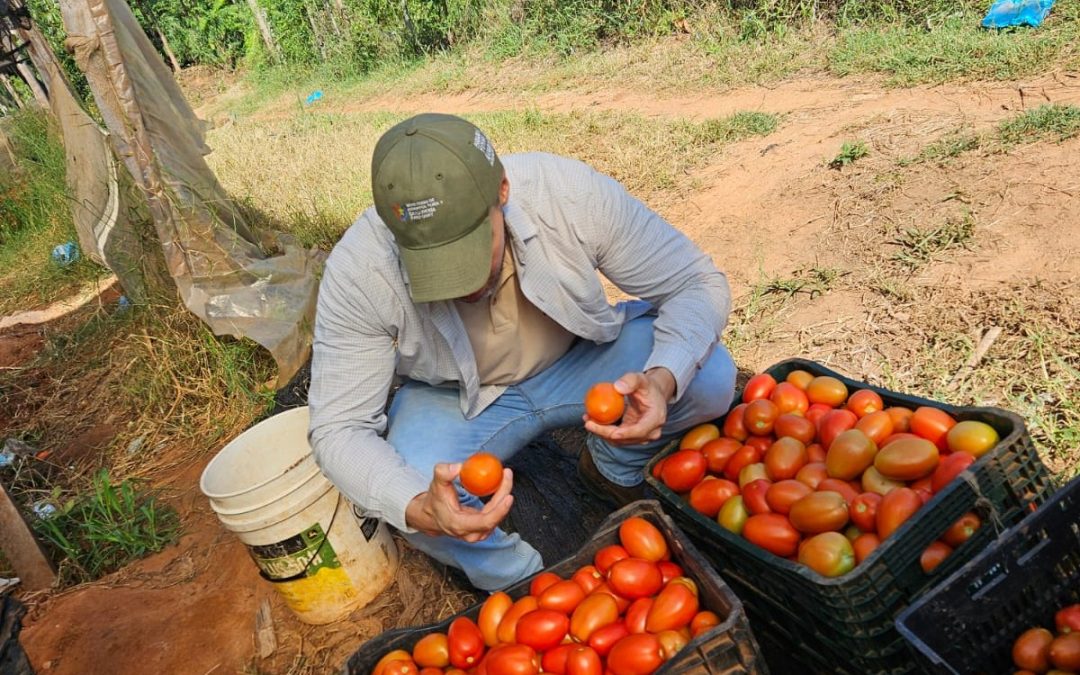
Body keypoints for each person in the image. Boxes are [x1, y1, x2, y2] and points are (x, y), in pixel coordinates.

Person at [308, 113, 735, 591]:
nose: (463, 284)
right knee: (411, 497)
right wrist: (419, 506)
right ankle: (529, 586)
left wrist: (660, 379)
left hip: (581, 360)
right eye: (434, 265)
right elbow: (338, 428)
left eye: (471, 249)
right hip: (455, 401)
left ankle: (612, 466)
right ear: (394, 234)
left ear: (503, 192)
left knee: (708, 378)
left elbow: (695, 281)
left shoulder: (567, 195)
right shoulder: (361, 270)